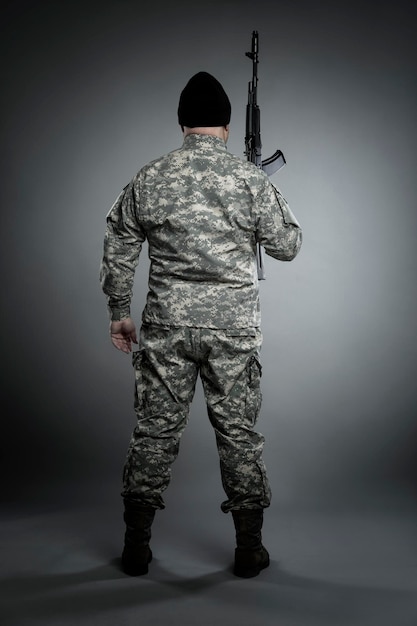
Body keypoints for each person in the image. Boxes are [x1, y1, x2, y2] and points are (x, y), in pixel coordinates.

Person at [100, 71, 302, 578]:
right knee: (238, 434)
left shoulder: (150, 176)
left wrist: (119, 313)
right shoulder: (249, 179)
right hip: (232, 330)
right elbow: (288, 246)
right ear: (228, 128)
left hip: (166, 325)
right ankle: (249, 549)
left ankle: (136, 548)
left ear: (182, 123)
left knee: (153, 433)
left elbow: (119, 245)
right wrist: (258, 191)